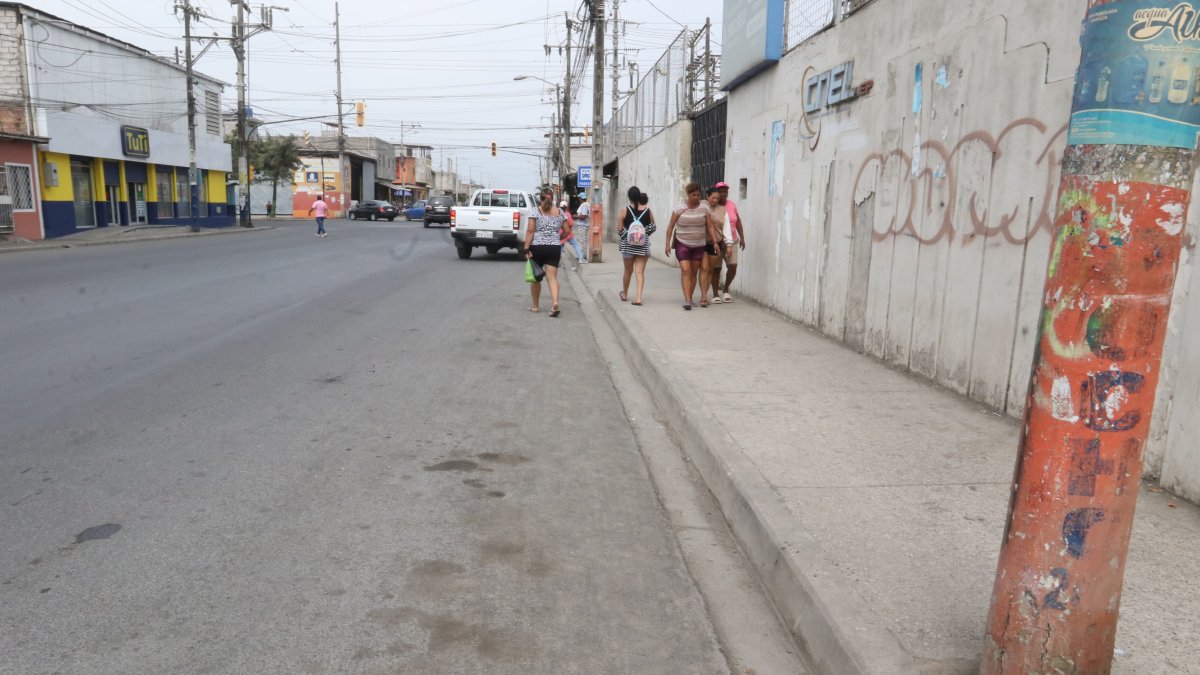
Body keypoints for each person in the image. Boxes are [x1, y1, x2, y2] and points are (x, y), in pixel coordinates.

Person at [664, 182, 721, 310]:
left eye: (698, 195)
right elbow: (670, 227)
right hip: (682, 243)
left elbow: (710, 226)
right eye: (693, 195)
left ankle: (690, 297)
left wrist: (715, 242)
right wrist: (667, 244)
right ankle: (687, 300)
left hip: (699, 245)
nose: (696, 197)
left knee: (694, 272)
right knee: (685, 270)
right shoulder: (679, 208)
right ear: (688, 195)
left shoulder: (704, 208)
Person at [523, 189, 570, 317]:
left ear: (540, 198)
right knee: (552, 277)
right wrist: (558, 239)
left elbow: (530, 231)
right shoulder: (560, 212)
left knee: (536, 279)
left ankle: (535, 306)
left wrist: (526, 248)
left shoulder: (535, 211)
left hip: (537, 247)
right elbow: (567, 230)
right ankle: (554, 303)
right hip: (554, 248)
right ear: (552, 198)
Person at [618, 186, 656, 306]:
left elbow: (619, 229)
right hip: (642, 246)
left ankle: (625, 294)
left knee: (628, 271)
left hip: (627, 246)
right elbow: (653, 227)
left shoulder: (624, 210)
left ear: (629, 197)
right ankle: (638, 297)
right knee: (639, 272)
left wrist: (628, 235)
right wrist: (643, 233)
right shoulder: (648, 210)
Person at [714, 182, 745, 302]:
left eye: (725, 191)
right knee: (716, 268)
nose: (723, 194)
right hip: (716, 242)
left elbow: (738, 221)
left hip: (732, 241)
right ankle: (715, 293)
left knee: (733, 266)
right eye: (720, 191)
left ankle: (726, 290)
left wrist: (742, 237)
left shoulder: (731, 204)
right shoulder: (712, 204)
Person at [574, 193, 590, 264]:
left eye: (579, 198)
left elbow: (583, 216)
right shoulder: (586, 204)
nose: (578, 199)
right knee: (582, 240)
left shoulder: (584, 205)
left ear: (580, 198)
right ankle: (582, 255)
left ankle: (583, 257)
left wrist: (575, 216)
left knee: (583, 241)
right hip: (583, 225)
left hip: (583, 225)